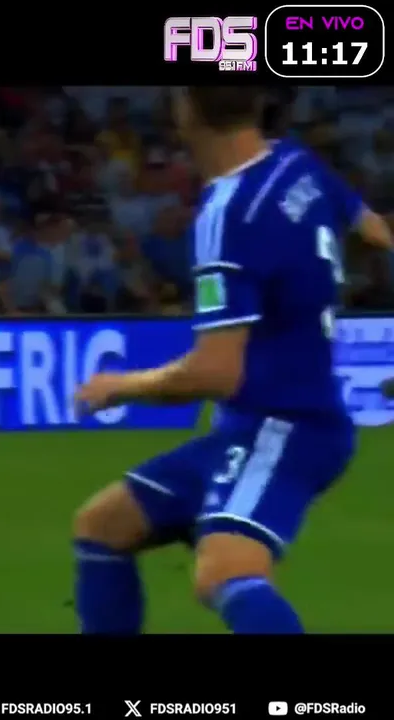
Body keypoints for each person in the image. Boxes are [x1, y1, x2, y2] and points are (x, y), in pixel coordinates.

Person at [70, 87, 392, 635]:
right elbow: (375, 230)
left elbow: (216, 372)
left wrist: (120, 386)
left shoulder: (230, 215)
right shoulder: (293, 163)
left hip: (284, 428)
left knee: (224, 573)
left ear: (185, 111)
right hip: (259, 423)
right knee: (103, 526)